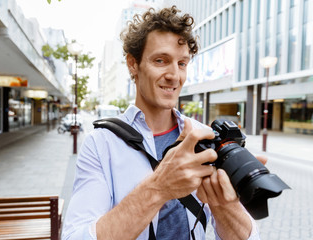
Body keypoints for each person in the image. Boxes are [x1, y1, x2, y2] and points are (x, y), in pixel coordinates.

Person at [62, 6, 264, 240]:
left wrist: (223, 205)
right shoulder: (101, 143)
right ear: (132, 64)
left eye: (182, 63)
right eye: (161, 60)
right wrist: (159, 187)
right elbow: (75, 236)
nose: (174, 75)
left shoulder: (201, 135)